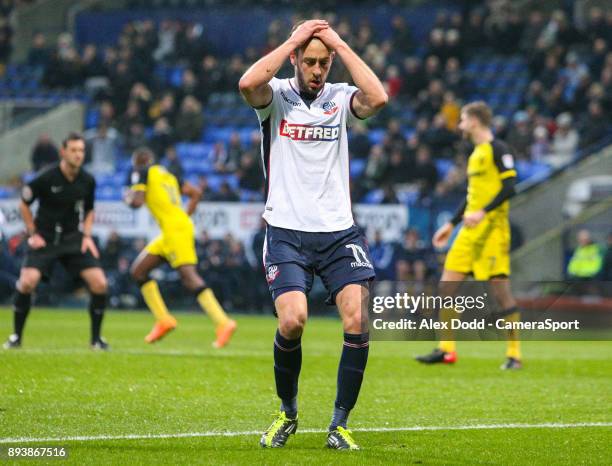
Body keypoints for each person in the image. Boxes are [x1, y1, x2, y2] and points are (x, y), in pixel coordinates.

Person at [239, 19, 388, 450]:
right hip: (286, 229)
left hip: (339, 232)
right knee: (293, 320)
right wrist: (292, 39)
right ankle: (287, 413)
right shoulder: (277, 97)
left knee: (358, 318)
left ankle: (339, 424)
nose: (318, 69)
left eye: (325, 62)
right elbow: (247, 83)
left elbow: (378, 97)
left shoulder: (341, 98)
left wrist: (341, 43)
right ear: (295, 60)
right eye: (310, 61)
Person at [416, 102, 522, 370]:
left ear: (475, 120)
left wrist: (484, 213)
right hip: (468, 231)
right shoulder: (475, 154)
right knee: (446, 287)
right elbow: (471, 197)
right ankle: (447, 350)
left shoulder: (499, 149)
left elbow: (510, 187)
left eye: (462, 120)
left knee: (501, 293)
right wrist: (451, 224)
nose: (460, 125)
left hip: (493, 231)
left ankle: (514, 354)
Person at [4, 133, 109, 350]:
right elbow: (24, 204)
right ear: (63, 152)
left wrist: (87, 236)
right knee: (27, 282)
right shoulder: (46, 178)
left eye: (81, 150)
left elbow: (89, 209)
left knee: (100, 283)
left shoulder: (87, 181)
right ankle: (16, 337)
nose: (78, 154)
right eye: (74, 150)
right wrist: (33, 233)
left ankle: (96, 340)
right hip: (46, 238)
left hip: (73, 239)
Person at [123, 147, 236, 348]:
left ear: (139, 161)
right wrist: (184, 218)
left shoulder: (141, 171)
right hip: (171, 231)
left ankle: (223, 322)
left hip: (174, 231)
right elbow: (196, 193)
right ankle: (163, 319)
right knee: (139, 271)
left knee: (189, 277)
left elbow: (137, 202)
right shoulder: (169, 174)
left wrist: (128, 197)